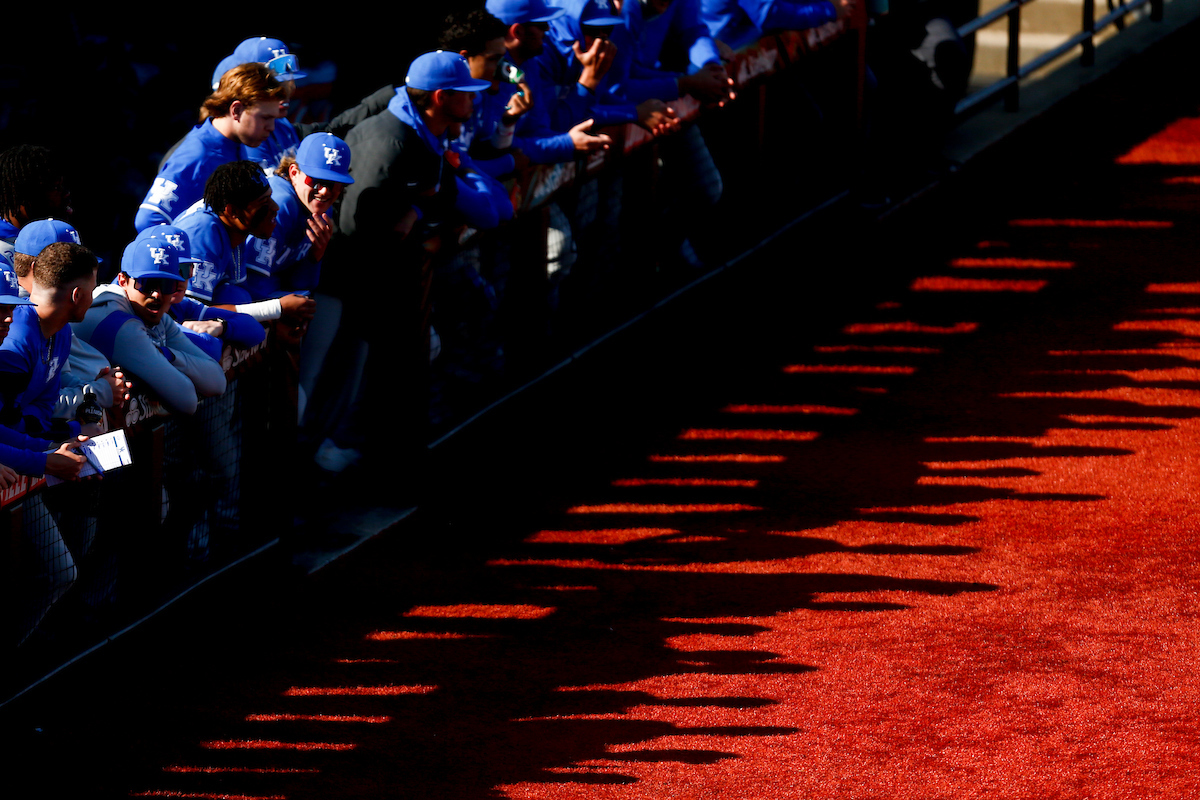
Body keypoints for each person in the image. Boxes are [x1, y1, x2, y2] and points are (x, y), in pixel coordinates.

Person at [73, 240, 226, 416]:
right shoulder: (118, 322)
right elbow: (187, 401)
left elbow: (217, 382)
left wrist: (165, 354)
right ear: (123, 280)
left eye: (167, 285)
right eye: (147, 284)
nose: (156, 294)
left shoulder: (153, 315)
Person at [135, 64, 287, 232]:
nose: (272, 127)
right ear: (236, 110)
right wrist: (189, 253)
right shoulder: (198, 156)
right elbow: (149, 220)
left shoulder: (235, 144)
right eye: (265, 118)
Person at [0, 145, 72, 263]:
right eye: (55, 187)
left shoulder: (58, 237)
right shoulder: (3, 250)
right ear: (22, 194)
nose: (66, 193)